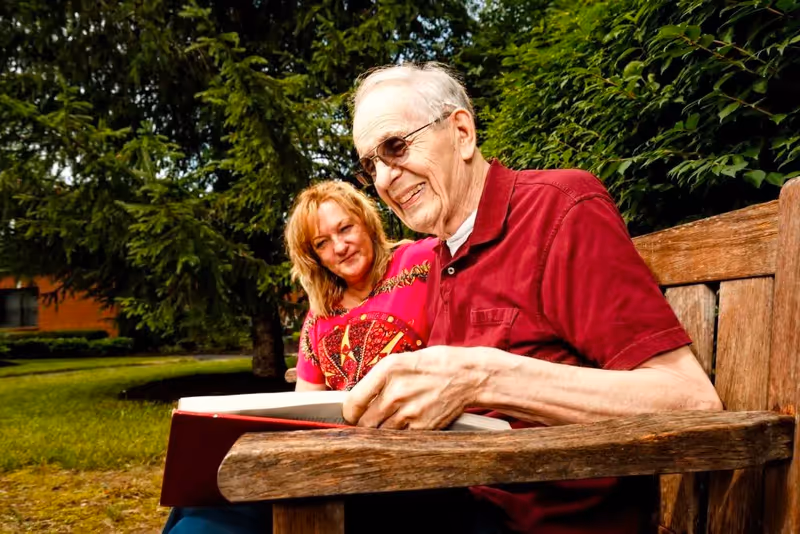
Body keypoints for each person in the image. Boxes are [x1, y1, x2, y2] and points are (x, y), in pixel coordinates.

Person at [343, 62, 724, 533]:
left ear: (461, 132)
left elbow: (691, 402)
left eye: (395, 147)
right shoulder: (444, 254)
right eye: (370, 165)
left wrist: (482, 377)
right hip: (456, 493)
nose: (383, 179)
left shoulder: (561, 208)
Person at [163, 181, 502, 533]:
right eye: (322, 243)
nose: (339, 247)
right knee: (203, 504)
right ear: (314, 257)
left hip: (414, 461)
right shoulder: (319, 315)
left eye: (346, 228)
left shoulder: (422, 261)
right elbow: (303, 413)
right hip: (339, 465)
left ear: (367, 221)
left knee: (217, 512)